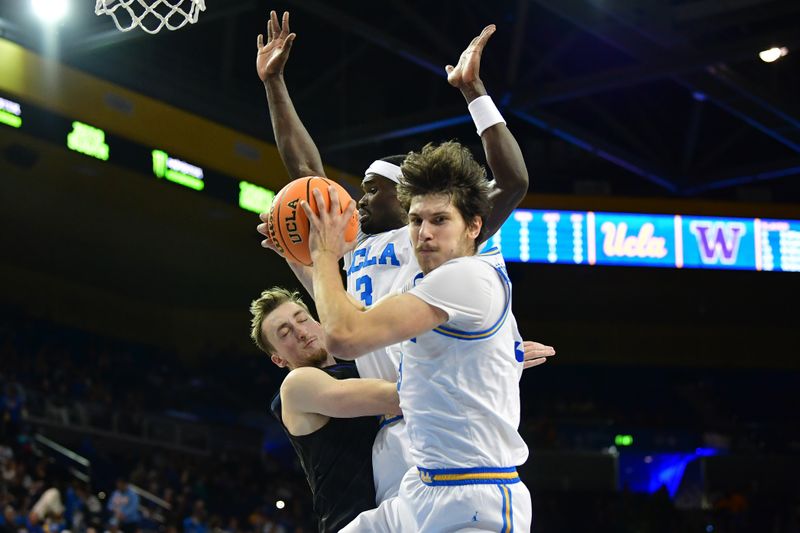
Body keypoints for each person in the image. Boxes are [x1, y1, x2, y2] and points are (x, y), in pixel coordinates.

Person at [256, 11, 554, 506]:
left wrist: (474, 93)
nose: (361, 199)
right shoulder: (354, 247)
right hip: (391, 433)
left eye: (372, 190)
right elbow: (307, 173)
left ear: (408, 198)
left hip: (441, 423)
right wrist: (274, 83)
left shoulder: (444, 244)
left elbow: (514, 182)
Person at [301, 139, 533, 531]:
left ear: (475, 227)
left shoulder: (467, 275)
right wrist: (298, 258)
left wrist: (323, 253)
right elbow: (353, 312)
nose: (424, 233)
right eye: (416, 221)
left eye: (439, 220)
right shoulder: (419, 288)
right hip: (422, 486)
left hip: (475, 496)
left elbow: (342, 334)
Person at [248, 287, 401, 533]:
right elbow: (398, 399)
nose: (300, 331)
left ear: (319, 322)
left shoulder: (361, 364)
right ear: (278, 359)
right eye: (285, 333)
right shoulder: (296, 387)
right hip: (353, 525)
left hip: (399, 510)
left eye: (302, 319)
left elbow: (357, 313)